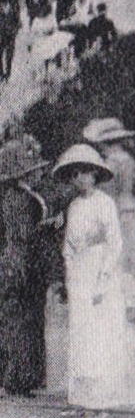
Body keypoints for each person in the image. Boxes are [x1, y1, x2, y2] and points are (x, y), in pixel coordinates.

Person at [55, 144, 135, 418]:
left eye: (86, 173)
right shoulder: (74, 206)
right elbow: (68, 243)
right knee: (80, 336)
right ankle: (80, 398)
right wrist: (69, 269)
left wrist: (102, 278)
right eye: (75, 174)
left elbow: (114, 242)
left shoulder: (104, 203)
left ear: (95, 175)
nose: (80, 178)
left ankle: (100, 403)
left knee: (98, 337)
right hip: (78, 273)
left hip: (98, 273)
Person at [81, 119, 135, 322]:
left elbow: (108, 190)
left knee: (121, 256)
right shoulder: (127, 159)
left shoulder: (110, 164)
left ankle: (125, 302)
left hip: (117, 209)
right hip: (130, 206)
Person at [0, 135, 53, 396]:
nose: (38, 173)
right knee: (20, 321)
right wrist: (46, 227)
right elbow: (21, 236)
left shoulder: (20, 195)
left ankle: (20, 375)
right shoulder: (17, 199)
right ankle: (18, 377)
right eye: (32, 170)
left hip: (23, 261)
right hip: (20, 264)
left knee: (21, 319)